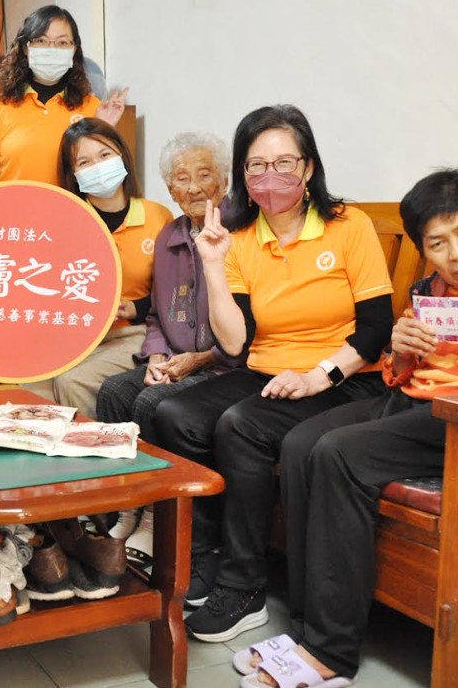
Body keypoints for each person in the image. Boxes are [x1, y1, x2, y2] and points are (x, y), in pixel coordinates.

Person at [230, 170, 458, 688]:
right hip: (411, 406)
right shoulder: (426, 291)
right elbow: (398, 375)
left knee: (339, 453)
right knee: (299, 444)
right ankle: (306, 627)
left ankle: (330, 653)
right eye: (437, 243)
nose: (457, 254)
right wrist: (404, 351)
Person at [150, 105, 395, 634]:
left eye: (284, 163)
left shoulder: (348, 225)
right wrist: (213, 265)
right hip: (268, 370)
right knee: (173, 414)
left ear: (308, 168)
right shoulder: (239, 236)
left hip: (347, 377)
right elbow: (235, 342)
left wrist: (318, 376)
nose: (270, 176)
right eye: (256, 166)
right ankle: (206, 556)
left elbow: (377, 328)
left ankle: (244, 586)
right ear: (242, 173)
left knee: (242, 424)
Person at [93, 132, 241, 555]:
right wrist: (157, 355)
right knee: (114, 392)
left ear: (224, 180)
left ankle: (156, 518)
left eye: (204, 174)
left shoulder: (238, 231)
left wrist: (198, 359)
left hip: (224, 365)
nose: (193, 187)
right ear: (170, 189)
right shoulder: (169, 236)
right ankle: (127, 505)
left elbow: (249, 327)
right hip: (177, 358)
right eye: (181, 178)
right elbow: (157, 314)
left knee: (151, 403)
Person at [49, 118, 173, 418]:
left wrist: (135, 308)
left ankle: (94, 445)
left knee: (72, 381)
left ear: (122, 155)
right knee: (31, 384)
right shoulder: (64, 222)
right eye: (84, 162)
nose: (98, 167)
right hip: (74, 334)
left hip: (134, 334)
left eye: (105, 155)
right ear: (73, 173)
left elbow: (176, 292)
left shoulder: (157, 216)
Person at [0, 5, 128, 189]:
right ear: (26, 48)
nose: (52, 49)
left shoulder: (92, 107)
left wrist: (105, 130)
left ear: (74, 49)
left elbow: (102, 183)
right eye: (41, 41)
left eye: (62, 43)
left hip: (67, 206)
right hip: (9, 207)